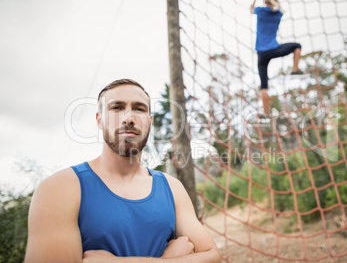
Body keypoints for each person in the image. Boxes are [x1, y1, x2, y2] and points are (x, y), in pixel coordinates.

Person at [24, 79, 221, 262]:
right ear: (99, 120)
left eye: (139, 109)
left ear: (150, 122)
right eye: (117, 108)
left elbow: (212, 257)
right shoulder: (59, 189)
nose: (128, 118)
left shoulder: (171, 187)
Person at [251, 0, 304, 114]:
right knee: (297, 46)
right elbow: (280, 9)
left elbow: (251, 10)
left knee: (264, 87)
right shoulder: (278, 14)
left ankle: (266, 114)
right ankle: (295, 69)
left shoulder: (261, 11)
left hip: (261, 54)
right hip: (274, 49)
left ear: (265, 3)